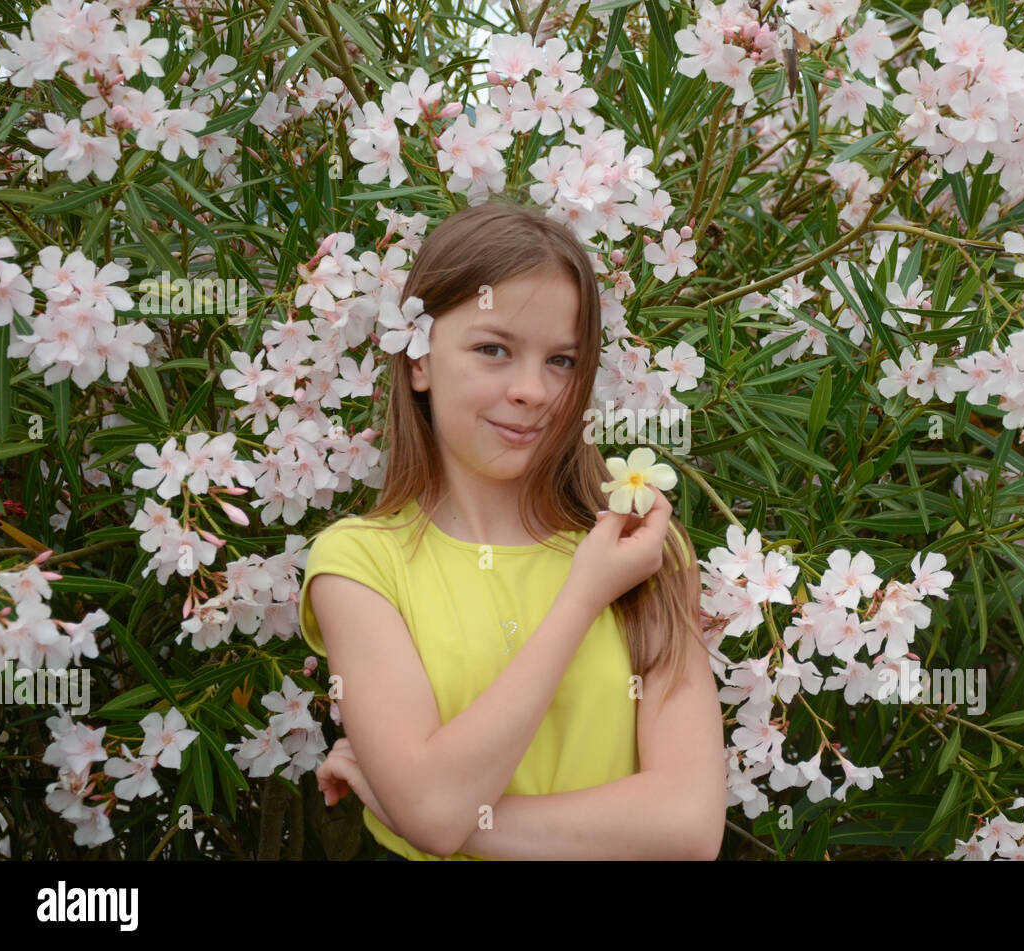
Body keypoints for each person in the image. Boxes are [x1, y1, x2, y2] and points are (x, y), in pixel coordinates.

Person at [299, 199, 726, 860]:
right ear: (418, 359)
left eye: (561, 360)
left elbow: (689, 826)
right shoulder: (357, 564)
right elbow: (435, 812)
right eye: (494, 349)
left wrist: (421, 806)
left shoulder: (642, 550)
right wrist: (583, 596)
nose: (533, 389)